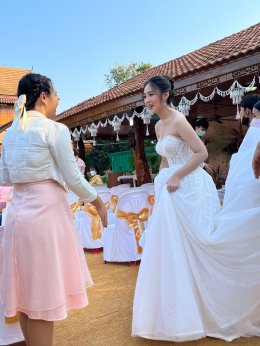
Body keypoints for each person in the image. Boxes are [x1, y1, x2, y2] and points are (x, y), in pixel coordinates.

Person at [132, 76, 260, 342]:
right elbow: (165, 160)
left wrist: (177, 176)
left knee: (200, 242)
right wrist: (162, 181)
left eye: (151, 95)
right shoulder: (157, 127)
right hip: (170, 191)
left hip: (191, 186)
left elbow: (200, 153)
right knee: (172, 246)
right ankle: (179, 312)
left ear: (165, 94)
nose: (147, 100)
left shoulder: (178, 120)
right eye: (144, 96)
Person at [0, 73, 107, 346]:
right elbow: (73, 178)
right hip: (45, 216)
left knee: (26, 297)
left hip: (17, 216)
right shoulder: (54, 130)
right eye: (56, 93)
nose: (59, 98)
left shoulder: (11, 134)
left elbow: (5, 178)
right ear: (44, 97)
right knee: (42, 298)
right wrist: (97, 200)